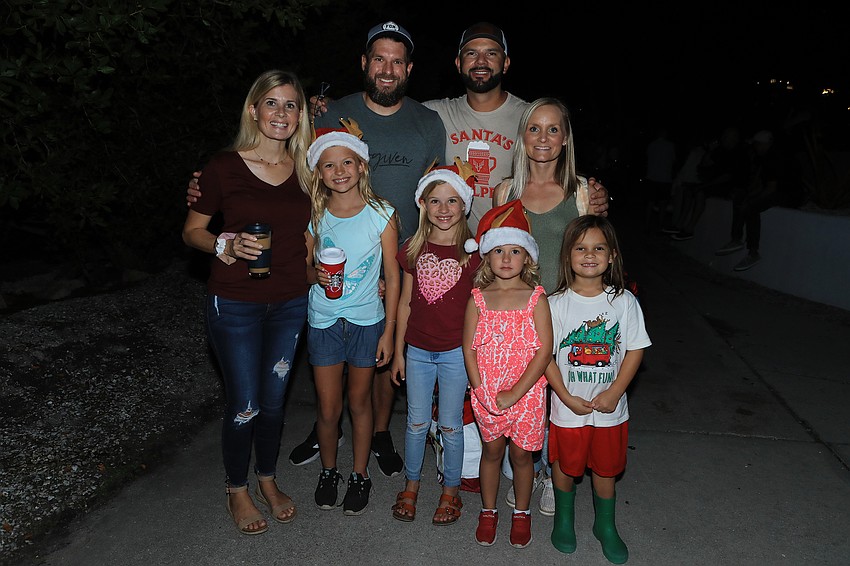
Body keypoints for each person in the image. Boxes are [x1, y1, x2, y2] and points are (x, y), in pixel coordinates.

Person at [186, 21, 444, 477]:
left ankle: (377, 436)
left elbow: (436, 186)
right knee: (320, 372)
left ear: (409, 69)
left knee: (378, 366)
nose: (387, 69)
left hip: (394, 258)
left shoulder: (428, 121)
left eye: (397, 61)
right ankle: (325, 433)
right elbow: (297, 168)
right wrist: (207, 193)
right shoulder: (330, 112)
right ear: (364, 63)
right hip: (322, 264)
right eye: (378, 59)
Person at [180, 69, 314, 535]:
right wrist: (226, 246)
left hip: (292, 303)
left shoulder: (308, 170)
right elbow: (192, 231)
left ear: (301, 114)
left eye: (291, 104)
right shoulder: (222, 167)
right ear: (254, 110)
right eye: (271, 103)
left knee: (275, 403)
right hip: (234, 303)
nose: (281, 113)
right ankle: (236, 488)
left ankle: (267, 478)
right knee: (246, 403)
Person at [491, 96, 595, 516]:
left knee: (559, 402)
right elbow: (493, 257)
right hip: (516, 321)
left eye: (553, 129)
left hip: (566, 317)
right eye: (535, 128)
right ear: (522, 136)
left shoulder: (583, 192)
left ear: (565, 138)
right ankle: (525, 471)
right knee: (525, 402)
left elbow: (595, 254)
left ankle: (554, 476)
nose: (543, 137)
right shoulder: (505, 191)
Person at [304, 125, 400, 515]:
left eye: (347, 162)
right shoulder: (315, 215)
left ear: (361, 166)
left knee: (360, 404)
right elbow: (303, 268)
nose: (339, 170)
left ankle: (360, 474)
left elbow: (393, 276)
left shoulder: (383, 214)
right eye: (329, 165)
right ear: (319, 173)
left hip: (366, 322)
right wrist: (316, 276)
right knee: (328, 409)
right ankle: (330, 471)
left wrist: (390, 332)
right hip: (323, 320)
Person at [545, 215, 651, 564]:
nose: (589, 254)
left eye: (598, 248)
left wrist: (616, 391)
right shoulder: (555, 303)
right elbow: (544, 355)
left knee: (606, 469)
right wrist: (565, 396)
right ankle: (564, 519)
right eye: (581, 248)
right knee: (565, 465)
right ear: (567, 256)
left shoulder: (623, 302)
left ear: (612, 256)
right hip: (567, 409)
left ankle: (605, 525)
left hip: (610, 411)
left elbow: (635, 349)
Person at [389, 160, 480, 525]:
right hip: (418, 352)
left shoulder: (474, 255)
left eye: (452, 200)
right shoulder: (413, 248)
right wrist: (398, 352)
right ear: (423, 204)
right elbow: (405, 302)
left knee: (450, 425)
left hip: (457, 353)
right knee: (415, 422)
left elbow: (481, 310)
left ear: (464, 205)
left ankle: (450, 491)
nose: (444, 209)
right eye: (435, 200)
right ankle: (411, 486)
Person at [462, 200, 554, 549]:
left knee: (521, 455)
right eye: (498, 250)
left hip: (526, 394)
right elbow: (468, 347)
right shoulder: (478, 298)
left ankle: (522, 512)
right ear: (486, 256)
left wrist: (515, 393)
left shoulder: (536, 298)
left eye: (514, 251)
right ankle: (488, 511)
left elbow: (545, 350)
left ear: (528, 257)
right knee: (492, 452)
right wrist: (478, 387)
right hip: (487, 392)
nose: (505, 258)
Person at [714, 129, 802, 271]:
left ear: (766, 144)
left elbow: (771, 188)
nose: (756, 148)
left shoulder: (774, 158)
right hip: (782, 192)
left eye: (758, 145)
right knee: (741, 198)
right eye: (755, 145)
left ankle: (753, 252)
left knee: (751, 207)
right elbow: (760, 184)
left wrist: (751, 201)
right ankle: (736, 239)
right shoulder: (766, 157)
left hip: (789, 195)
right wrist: (748, 196)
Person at [641, 125, 676, 232]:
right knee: (662, 204)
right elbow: (674, 161)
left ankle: (647, 225)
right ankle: (659, 226)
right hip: (664, 179)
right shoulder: (670, 146)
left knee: (650, 203)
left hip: (652, 178)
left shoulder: (652, 145)